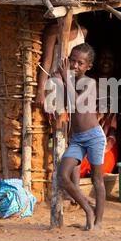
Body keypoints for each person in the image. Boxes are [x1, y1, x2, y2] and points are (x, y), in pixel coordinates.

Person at [35, 18, 87, 209]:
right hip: (56, 88)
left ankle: (75, 190)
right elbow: (47, 62)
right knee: (60, 138)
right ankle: (63, 190)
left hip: (75, 89)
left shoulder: (83, 31)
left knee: (77, 139)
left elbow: (84, 62)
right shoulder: (53, 32)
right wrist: (41, 90)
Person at [55, 43, 106, 231]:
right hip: (77, 138)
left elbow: (76, 103)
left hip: (93, 137)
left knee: (97, 181)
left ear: (88, 66)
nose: (75, 66)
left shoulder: (90, 83)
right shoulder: (68, 81)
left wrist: (65, 79)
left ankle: (98, 222)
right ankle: (88, 209)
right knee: (62, 175)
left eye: (80, 63)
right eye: (72, 61)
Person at [81, 49, 118, 177]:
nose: (106, 61)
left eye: (110, 58)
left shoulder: (118, 87)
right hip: (86, 139)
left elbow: (113, 126)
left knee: (106, 161)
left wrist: (109, 142)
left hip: (104, 138)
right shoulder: (87, 82)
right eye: (103, 57)